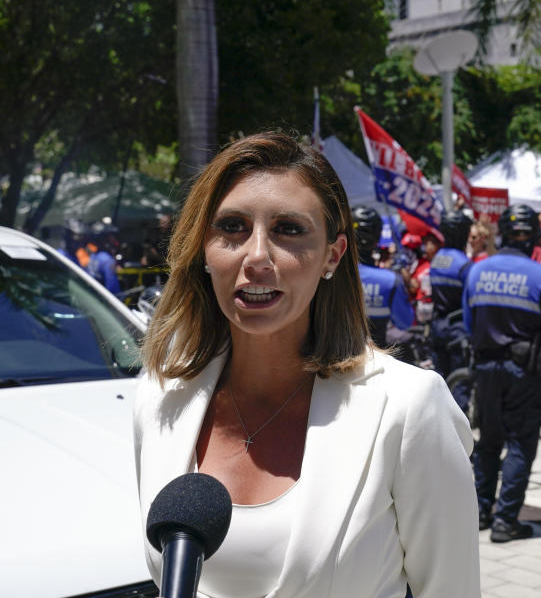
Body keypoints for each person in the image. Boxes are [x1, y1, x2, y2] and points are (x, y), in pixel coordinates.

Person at [134, 132, 479, 598]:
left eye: (288, 229)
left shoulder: (408, 406)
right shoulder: (160, 398)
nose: (256, 256)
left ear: (331, 257)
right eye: (232, 227)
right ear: (203, 250)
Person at [463, 203, 541, 543]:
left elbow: (467, 322)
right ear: (533, 237)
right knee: (520, 444)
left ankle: (478, 514)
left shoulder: (477, 272)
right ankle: (506, 521)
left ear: (502, 234)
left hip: (486, 369)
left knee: (489, 442)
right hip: (526, 373)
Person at [429, 210, 474, 409]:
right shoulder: (465, 265)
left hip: (437, 325)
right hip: (458, 328)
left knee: (440, 381)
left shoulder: (437, 258)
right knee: (460, 384)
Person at [352, 205, 414, 348]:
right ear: (378, 236)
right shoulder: (391, 281)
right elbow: (405, 321)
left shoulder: (329, 275)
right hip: (375, 360)